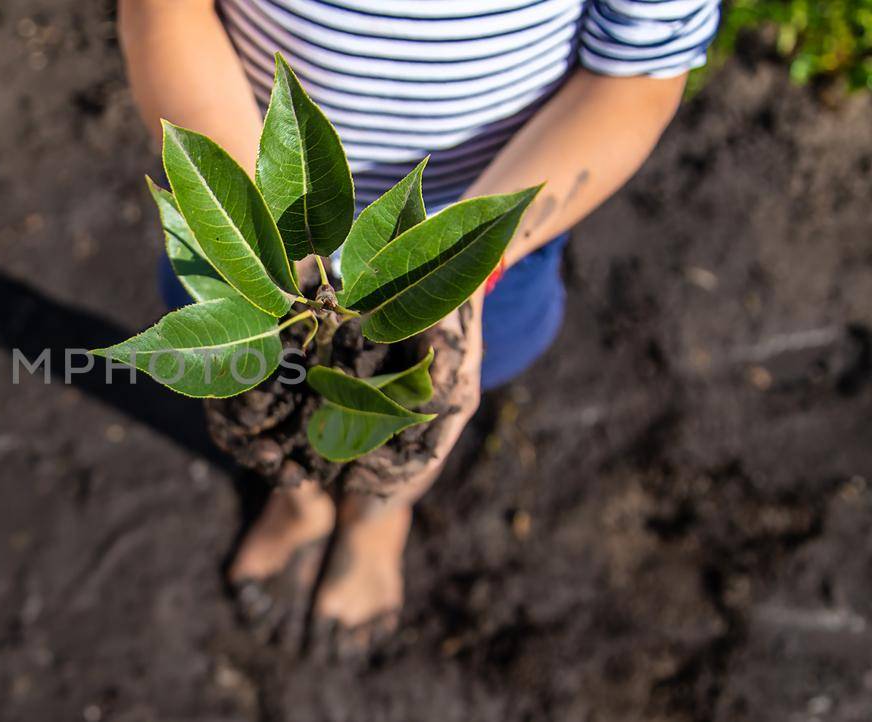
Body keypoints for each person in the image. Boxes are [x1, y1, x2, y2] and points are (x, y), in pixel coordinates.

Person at [118, 0, 720, 655]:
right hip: (253, 216)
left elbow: (639, 75)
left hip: (485, 245)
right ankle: (300, 505)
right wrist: (254, 241)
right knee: (266, 399)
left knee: (423, 412)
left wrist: (464, 274)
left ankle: (379, 514)